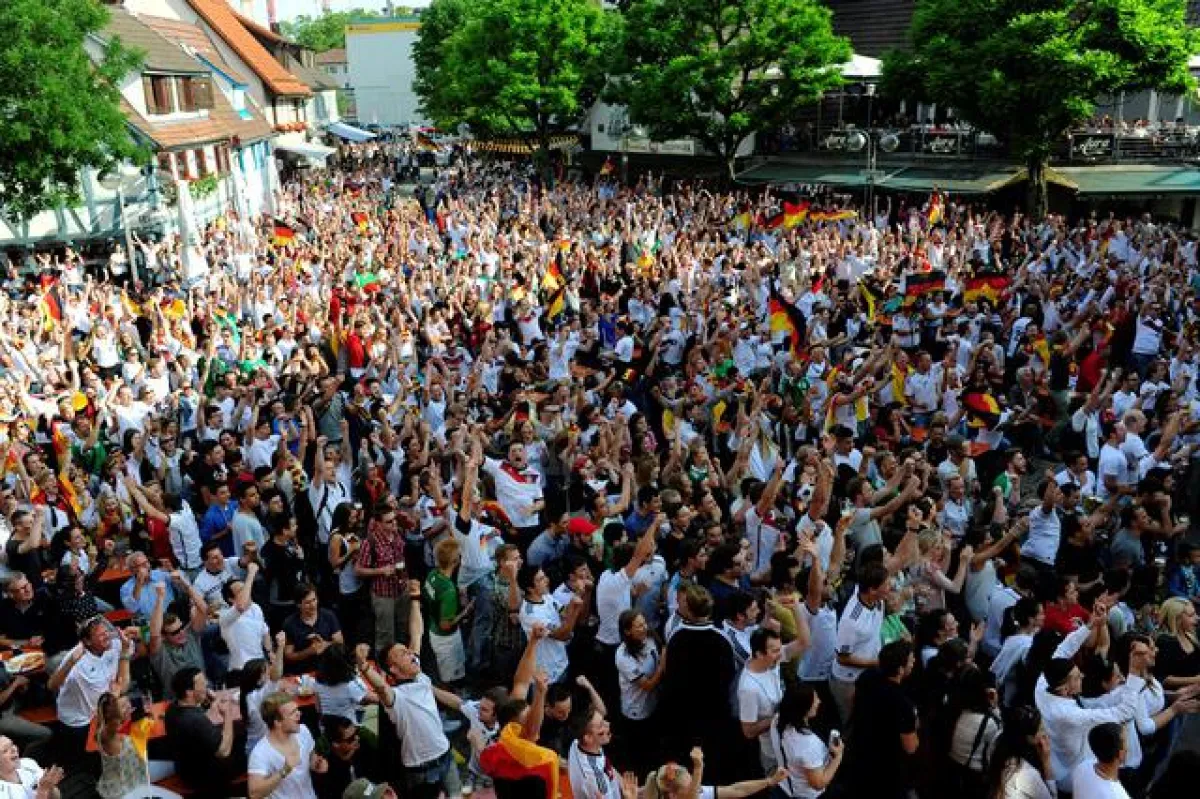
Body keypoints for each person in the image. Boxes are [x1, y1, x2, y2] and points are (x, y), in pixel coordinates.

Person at [354, 579, 462, 799]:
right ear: (392, 668)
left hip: (446, 756)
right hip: (422, 770)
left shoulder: (420, 675)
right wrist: (363, 665)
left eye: (408, 651)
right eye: (402, 654)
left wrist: (414, 599)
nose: (410, 654)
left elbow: (417, 633)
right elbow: (380, 687)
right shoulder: (396, 697)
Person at [49, 615, 135, 756]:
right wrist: (70, 662)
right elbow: (52, 685)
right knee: (95, 756)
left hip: (103, 711)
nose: (107, 636)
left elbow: (123, 686)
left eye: (106, 631)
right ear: (87, 641)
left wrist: (127, 646)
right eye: (101, 635)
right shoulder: (77, 658)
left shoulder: (116, 644)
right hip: (80, 720)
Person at [164, 666, 241, 797]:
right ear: (189, 692)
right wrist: (227, 715)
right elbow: (224, 751)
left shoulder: (172, 708)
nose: (206, 685)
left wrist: (206, 701)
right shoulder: (195, 720)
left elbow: (197, 727)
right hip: (204, 778)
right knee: (244, 747)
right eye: (202, 684)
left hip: (185, 768)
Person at [247, 692, 329, 799]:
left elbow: (311, 760)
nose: (299, 714)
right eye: (292, 713)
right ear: (277, 722)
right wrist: (284, 770)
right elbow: (254, 794)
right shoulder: (260, 753)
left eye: (297, 710)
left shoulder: (303, 731)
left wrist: (317, 765)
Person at [770, 684, 843, 799]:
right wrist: (838, 757)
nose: (819, 701)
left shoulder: (777, 721)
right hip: (805, 794)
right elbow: (818, 784)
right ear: (804, 708)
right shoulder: (808, 745)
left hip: (784, 785)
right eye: (815, 700)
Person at [147, 574, 207, 699]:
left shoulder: (190, 635)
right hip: (176, 701)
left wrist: (186, 585)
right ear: (164, 636)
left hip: (204, 694)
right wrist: (160, 597)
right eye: (174, 632)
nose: (181, 633)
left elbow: (203, 609)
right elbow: (154, 632)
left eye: (181, 628)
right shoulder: (160, 651)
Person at [984, 706, 1056, 799]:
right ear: (1030, 738)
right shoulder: (1028, 774)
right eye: (1041, 729)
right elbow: (1052, 796)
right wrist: (1046, 761)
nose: (1045, 733)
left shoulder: (998, 742)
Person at [94, 692, 152, 798]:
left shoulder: (117, 726)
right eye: (121, 706)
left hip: (133, 776)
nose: (127, 707)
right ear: (109, 713)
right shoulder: (106, 734)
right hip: (121, 789)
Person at [282, 583, 343, 675]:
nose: (313, 605)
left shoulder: (328, 616)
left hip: (327, 669)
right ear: (299, 605)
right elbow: (288, 655)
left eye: (314, 600)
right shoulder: (290, 623)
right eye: (307, 602)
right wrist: (308, 651)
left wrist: (324, 645)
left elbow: (340, 641)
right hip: (302, 672)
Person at [1070, 722, 1129, 799]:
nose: (1128, 747)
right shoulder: (1118, 796)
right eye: (1126, 742)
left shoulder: (1081, 767)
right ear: (1121, 754)